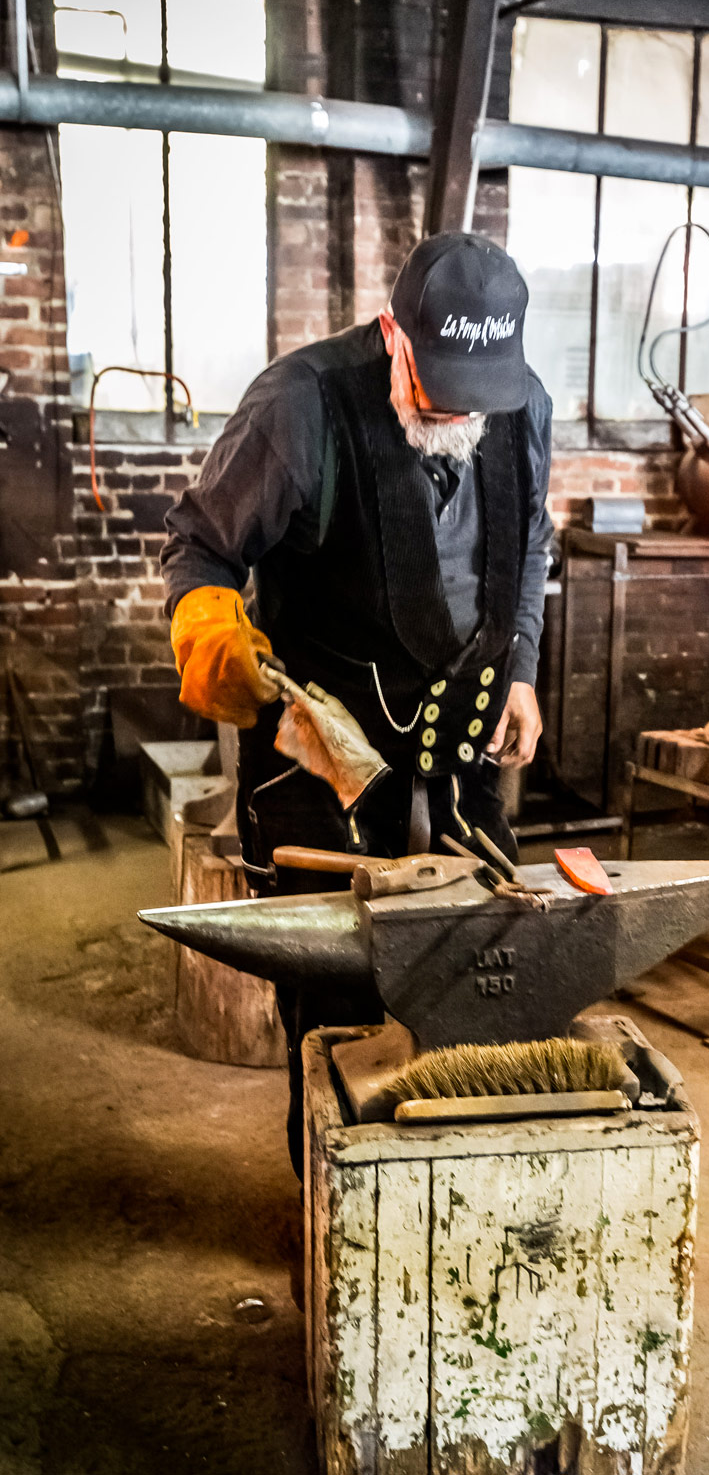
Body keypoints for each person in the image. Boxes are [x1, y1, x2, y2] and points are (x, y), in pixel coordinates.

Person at [161, 231, 553, 1172]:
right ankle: (331, 1215)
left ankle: (441, 1210)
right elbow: (199, 546)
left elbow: (530, 540)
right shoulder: (302, 402)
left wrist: (524, 666)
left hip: (460, 743)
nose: (460, 406)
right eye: (439, 380)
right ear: (394, 332)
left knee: (472, 981)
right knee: (334, 1010)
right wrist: (209, 627)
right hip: (321, 746)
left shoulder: (520, 398)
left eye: (481, 387)